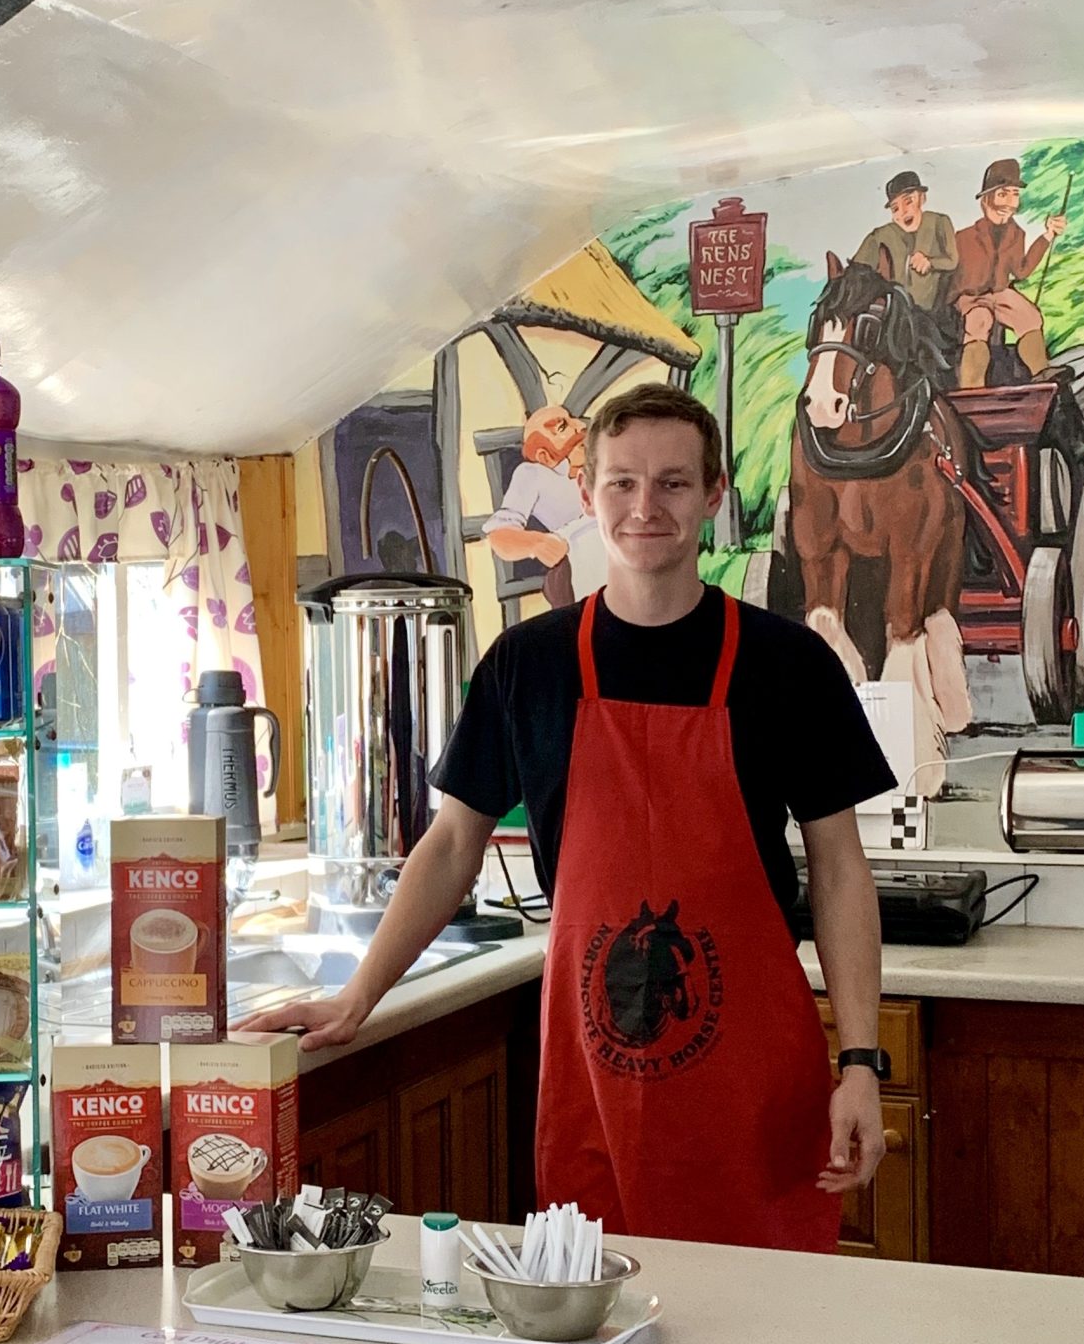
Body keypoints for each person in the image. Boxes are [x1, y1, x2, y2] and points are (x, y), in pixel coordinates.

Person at [251, 387, 896, 1250]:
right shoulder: (529, 664)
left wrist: (860, 1063)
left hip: (754, 1081)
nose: (645, 508)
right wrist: (359, 995)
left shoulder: (789, 666)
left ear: (712, 497)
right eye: (622, 484)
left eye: (672, 484)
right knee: (601, 1315)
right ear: (587, 495)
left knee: (770, 1332)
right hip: (594, 1081)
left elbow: (842, 870)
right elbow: (451, 847)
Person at [952, 157, 1068, 387]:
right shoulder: (964, 237)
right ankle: (971, 387)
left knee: (1030, 315)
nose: (1009, 201)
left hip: (1001, 292)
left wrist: (1047, 236)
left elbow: (1022, 271)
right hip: (971, 296)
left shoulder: (1017, 234)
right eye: (1003, 194)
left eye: (1014, 194)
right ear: (987, 200)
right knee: (979, 321)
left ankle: (1040, 372)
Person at [480, 401, 605, 609]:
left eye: (572, 419)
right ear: (545, 456)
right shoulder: (533, 475)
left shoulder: (606, 460)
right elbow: (499, 534)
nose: (580, 426)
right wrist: (537, 544)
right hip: (579, 557)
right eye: (562, 427)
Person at [851, 170, 958, 314]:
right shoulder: (879, 236)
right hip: (894, 314)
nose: (903, 212)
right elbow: (856, 271)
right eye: (895, 208)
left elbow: (953, 260)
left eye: (908, 202)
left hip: (933, 312)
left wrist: (930, 262)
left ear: (922, 198)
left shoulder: (939, 222)